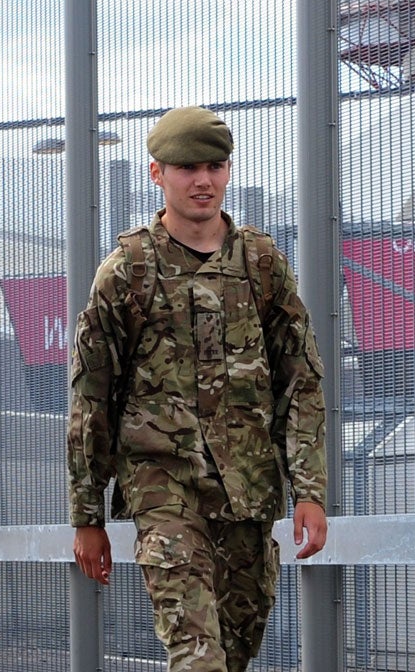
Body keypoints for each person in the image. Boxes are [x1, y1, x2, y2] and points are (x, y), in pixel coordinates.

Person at [68, 105, 328, 672]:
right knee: (197, 654)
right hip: (163, 489)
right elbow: (92, 394)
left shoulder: (261, 263)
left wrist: (310, 490)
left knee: (234, 655)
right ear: (157, 173)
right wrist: (87, 515)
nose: (202, 181)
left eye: (213, 166)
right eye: (187, 168)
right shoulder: (128, 269)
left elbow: (300, 380)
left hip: (249, 491)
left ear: (228, 170)